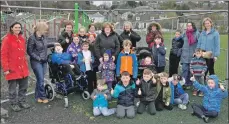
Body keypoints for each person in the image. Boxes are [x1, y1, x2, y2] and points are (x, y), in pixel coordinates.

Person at [1, 22, 30, 111]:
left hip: (22, 67)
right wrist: (6, 68)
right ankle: (13, 103)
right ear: (12, 28)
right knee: (12, 88)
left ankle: (22, 101)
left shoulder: (22, 39)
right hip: (12, 68)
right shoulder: (7, 39)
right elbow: (3, 54)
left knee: (23, 86)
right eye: (16, 27)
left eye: (19, 27)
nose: (18, 29)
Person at [27, 22, 58, 103]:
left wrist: (54, 44)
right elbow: (29, 51)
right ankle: (43, 96)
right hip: (36, 62)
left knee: (39, 79)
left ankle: (38, 97)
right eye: (45, 29)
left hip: (44, 61)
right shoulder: (32, 38)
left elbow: (45, 45)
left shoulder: (43, 37)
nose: (46, 31)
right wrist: (39, 58)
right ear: (40, 29)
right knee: (41, 80)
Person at [181, 22, 200, 90]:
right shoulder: (184, 33)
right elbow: (180, 41)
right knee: (184, 70)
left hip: (193, 54)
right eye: (187, 25)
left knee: (191, 70)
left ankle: (190, 83)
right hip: (185, 54)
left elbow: (199, 43)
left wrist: (196, 51)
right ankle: (184, 83)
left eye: (190, 25)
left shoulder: (197, 33)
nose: (188, 27)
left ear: (193, 26)